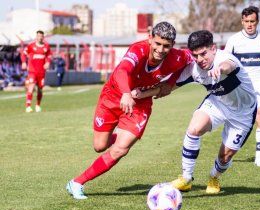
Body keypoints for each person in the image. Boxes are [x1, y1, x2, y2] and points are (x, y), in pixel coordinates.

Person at [66, 22, 192, 200]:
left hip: (140, 104)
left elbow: (195, 60)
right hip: (113, 97)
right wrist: (126, 93)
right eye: (157, 44)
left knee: (121, 149)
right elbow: (122, 71)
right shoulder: (137, 50)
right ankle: (121, 134)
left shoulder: (179, 57)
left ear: (172, 45)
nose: (161, 49)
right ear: (150, 39)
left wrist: (170, 84)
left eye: (166, 46)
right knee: (100, 146)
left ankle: (77, 182)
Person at [133, 30, 257, 194]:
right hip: (218, 103)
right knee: (194, 129)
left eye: (203, 54)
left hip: (243, 113)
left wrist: (220, 68)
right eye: (195, 55)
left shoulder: (225, 59)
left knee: (224, 157)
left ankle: (214, 177)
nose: (200, 60)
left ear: (213, 48)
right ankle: (186, 178)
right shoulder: (194, 68)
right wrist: (142, 94)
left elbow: (230, 65)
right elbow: (167, 88)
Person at [224, 6, 260, 167]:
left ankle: (259, 157)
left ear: (258, 22)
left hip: (259, 84)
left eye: (253, 21)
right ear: (242, 22)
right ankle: (228, 150)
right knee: (235, 120)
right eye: (246, 21)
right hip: (239, 86)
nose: (249, 24)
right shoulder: (234, 40)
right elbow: (224, 61)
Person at [21, 30, 52, 113]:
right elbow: (23, 54)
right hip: (32, 71)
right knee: (31, 87)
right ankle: (28, 106)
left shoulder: (46, 46)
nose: (40, 38)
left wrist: (48, 62)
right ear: (36, 37)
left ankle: (38, 105)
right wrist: (24, 62)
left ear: (43, 37)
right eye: (38, 36)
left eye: (41, 36)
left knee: (40, 89)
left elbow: (49, 55)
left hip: (41, 72)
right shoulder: (31, 46)